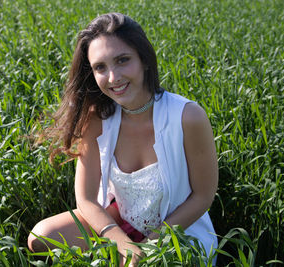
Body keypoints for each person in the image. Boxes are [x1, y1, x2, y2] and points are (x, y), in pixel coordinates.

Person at [28, 12, 218, 266]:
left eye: (122, 60)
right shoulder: (97, 119)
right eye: (100, 67)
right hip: (118, 221)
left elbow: (203, 196)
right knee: (41, 237)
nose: (113, 77)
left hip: (177, 231)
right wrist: (118, 239)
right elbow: (85, 198)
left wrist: (153, 244)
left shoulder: (187, 117)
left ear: (144, 59)